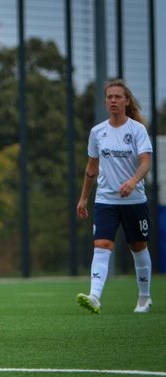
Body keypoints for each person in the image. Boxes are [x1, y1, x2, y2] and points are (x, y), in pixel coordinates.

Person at [76, 79, 153, 314]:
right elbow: (91, 168)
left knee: (138, 246)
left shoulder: (137, 130)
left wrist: (132, 181)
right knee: (102, 244)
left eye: (118, 97)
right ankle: (95, 296)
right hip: (105, 201)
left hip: (134, 200)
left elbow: (146, 162)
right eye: (109, 97)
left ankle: (144, 297)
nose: (113, 101)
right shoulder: (97, 132)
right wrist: (83, 198)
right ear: (105, 101)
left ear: (127, 101)